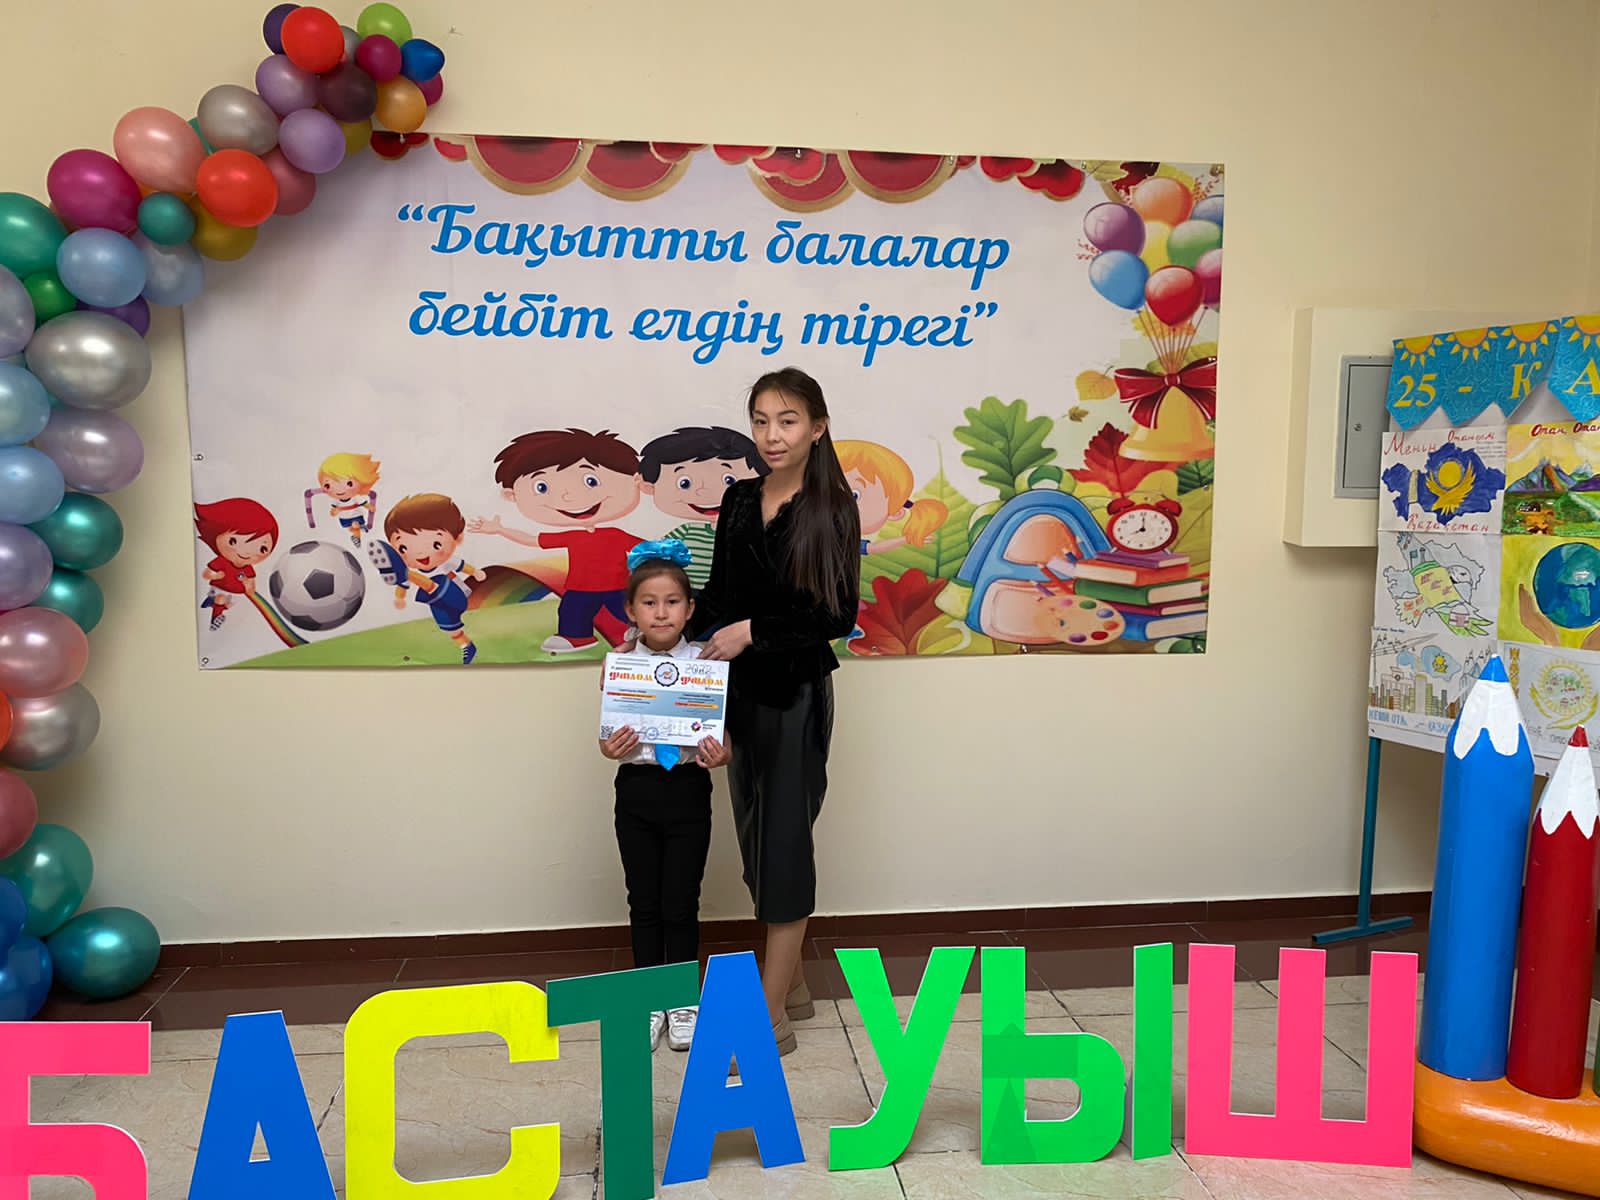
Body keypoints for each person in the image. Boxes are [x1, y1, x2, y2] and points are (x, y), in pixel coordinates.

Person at [692, 367, 860, 1055]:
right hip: (736, 696)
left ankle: (768, 1018)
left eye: (787, 420)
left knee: (784, 845)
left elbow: (835, 615)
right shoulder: (738, 499)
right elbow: (716, 596)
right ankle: (793, 985)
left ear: (817, 427)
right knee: (755, 840)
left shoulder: (833, 508)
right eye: (761, 420)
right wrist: (662, 641)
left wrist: (752, 632)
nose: (772, 435)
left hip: (795, 696)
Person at [599, 539, 731, 1052]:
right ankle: (648, 998)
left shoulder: (706, 663)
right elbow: (607, 740)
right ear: (631, 610)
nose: (661, 612)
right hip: (636, 790)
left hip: (689, 789)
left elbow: (724, 737)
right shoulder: (619, 664)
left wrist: (722, 754)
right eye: (649, 602)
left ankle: (682, 1000)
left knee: (681, 903)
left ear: (689, 609)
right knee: (644, 902)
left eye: (672, 602)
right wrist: (610, 748)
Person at [639, 426, 768, 589]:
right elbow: (653, 553)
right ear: (649, 486)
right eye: (684, 483)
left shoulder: (751, 532)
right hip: (688, 593)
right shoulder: (687, 531)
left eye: (729, 480)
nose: (704, 491)